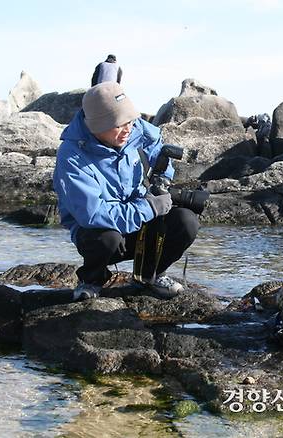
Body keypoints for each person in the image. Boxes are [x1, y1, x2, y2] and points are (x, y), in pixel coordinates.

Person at [53, 82, 199, 301]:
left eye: (130, 121)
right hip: (100, 232)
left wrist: (162, 179)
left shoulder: (135, 128)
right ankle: (92, 279)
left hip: (139, 214)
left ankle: (151, 275)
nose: (128, 129)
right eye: (119, 125)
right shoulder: (72, 156)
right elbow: (92, 215)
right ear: (97, 126)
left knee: (187, 221)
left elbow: (158, 148)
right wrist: (149, 207)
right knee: (106, 238)